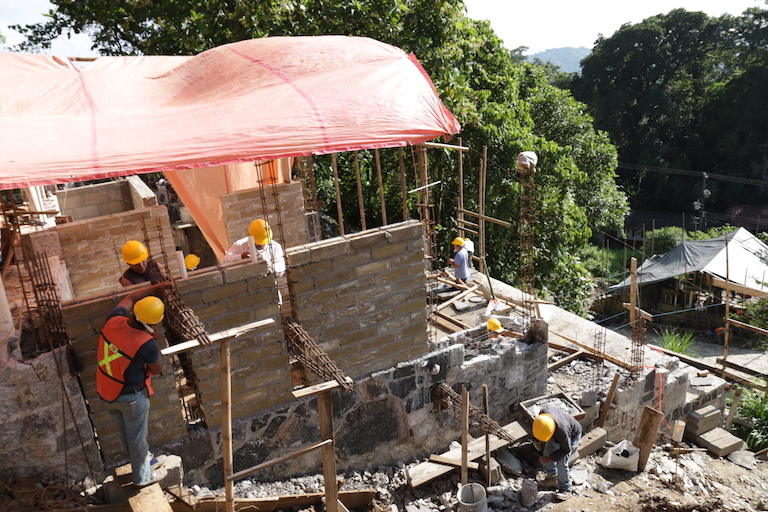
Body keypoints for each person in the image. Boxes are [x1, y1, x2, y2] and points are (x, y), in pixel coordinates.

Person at [96, 281, 171, 487]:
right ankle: (142, 478)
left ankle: (145, 462)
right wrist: (154, 341)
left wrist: (158, 286)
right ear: (153, 324)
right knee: (137, 438)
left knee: (128, 436)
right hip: (131, 398)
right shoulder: (146, 343)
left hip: (106, 392)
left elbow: (130, 298)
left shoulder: (114, 320)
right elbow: (157, 369)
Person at [532, 406, 583, 497]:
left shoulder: (562, 431)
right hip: (557, 429)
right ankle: (552, 478)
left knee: (561, 463)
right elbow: (537, 429)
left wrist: (549, 458)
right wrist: (536, 440)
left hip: (572, 435)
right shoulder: (542, 417)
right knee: (547, 451)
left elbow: (565, 450)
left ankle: (566, 489)